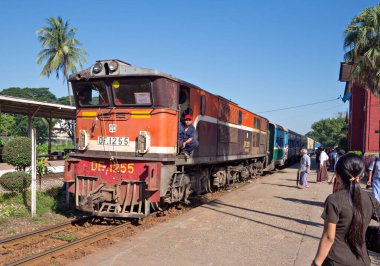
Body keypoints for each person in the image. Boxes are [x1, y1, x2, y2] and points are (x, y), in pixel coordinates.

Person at [312, 153, 380, 266]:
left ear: (337, 175)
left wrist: (316, 263)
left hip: (336, 260)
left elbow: (329, 237)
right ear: (362, 175)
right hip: (362, 261)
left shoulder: (334, 200)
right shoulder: (370, 199)